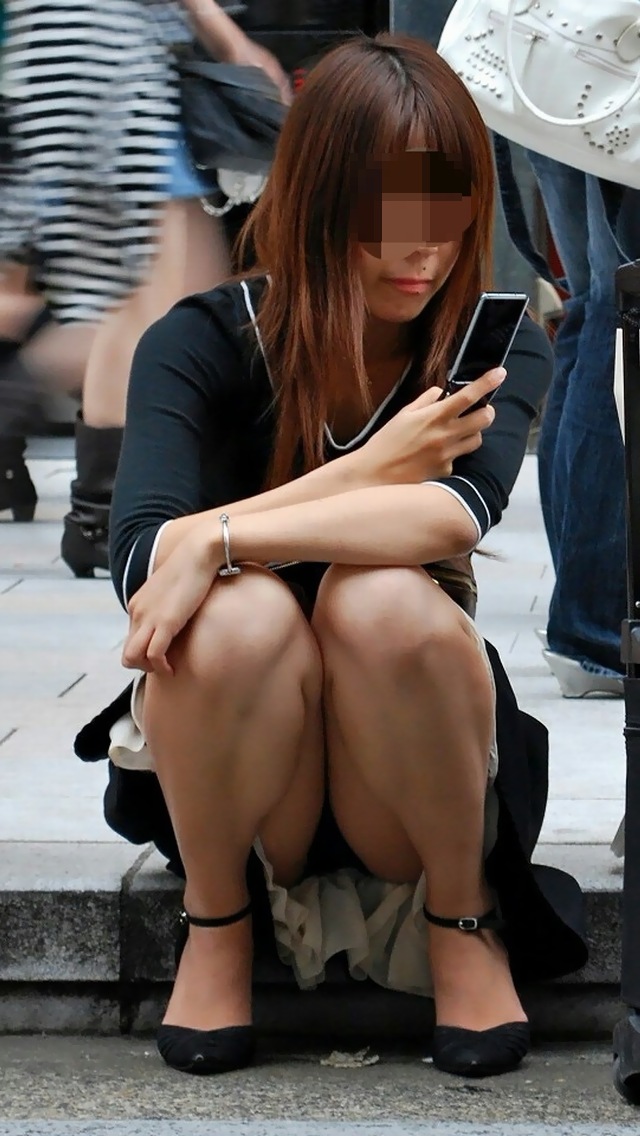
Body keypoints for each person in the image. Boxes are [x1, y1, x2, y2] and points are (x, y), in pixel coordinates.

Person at [75, 33, 588, 1080]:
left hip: (406, 771)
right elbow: (141, 566)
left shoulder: (484, 348)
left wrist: (222, 535)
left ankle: (459, 918)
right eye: (383, 214)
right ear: (316, 201)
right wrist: (367, 472)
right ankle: (217, 924)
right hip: (243, 781)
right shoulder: (201, 340)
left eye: (445, 211)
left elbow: (448, 518)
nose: (421, 250)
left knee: (378, 599)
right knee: (241, 613)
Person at [0, 1, 288, 571]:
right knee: (152, 312)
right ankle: (101, 514)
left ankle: (104, 511)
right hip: (104, 60)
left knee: (177, 301)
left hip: (105, 59)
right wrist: (230, 41)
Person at [521, 152, 639, 697]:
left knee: (594, 304)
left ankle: (584, 611)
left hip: (564, 107)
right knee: (617, 306)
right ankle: (599, 628)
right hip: (619, 110)